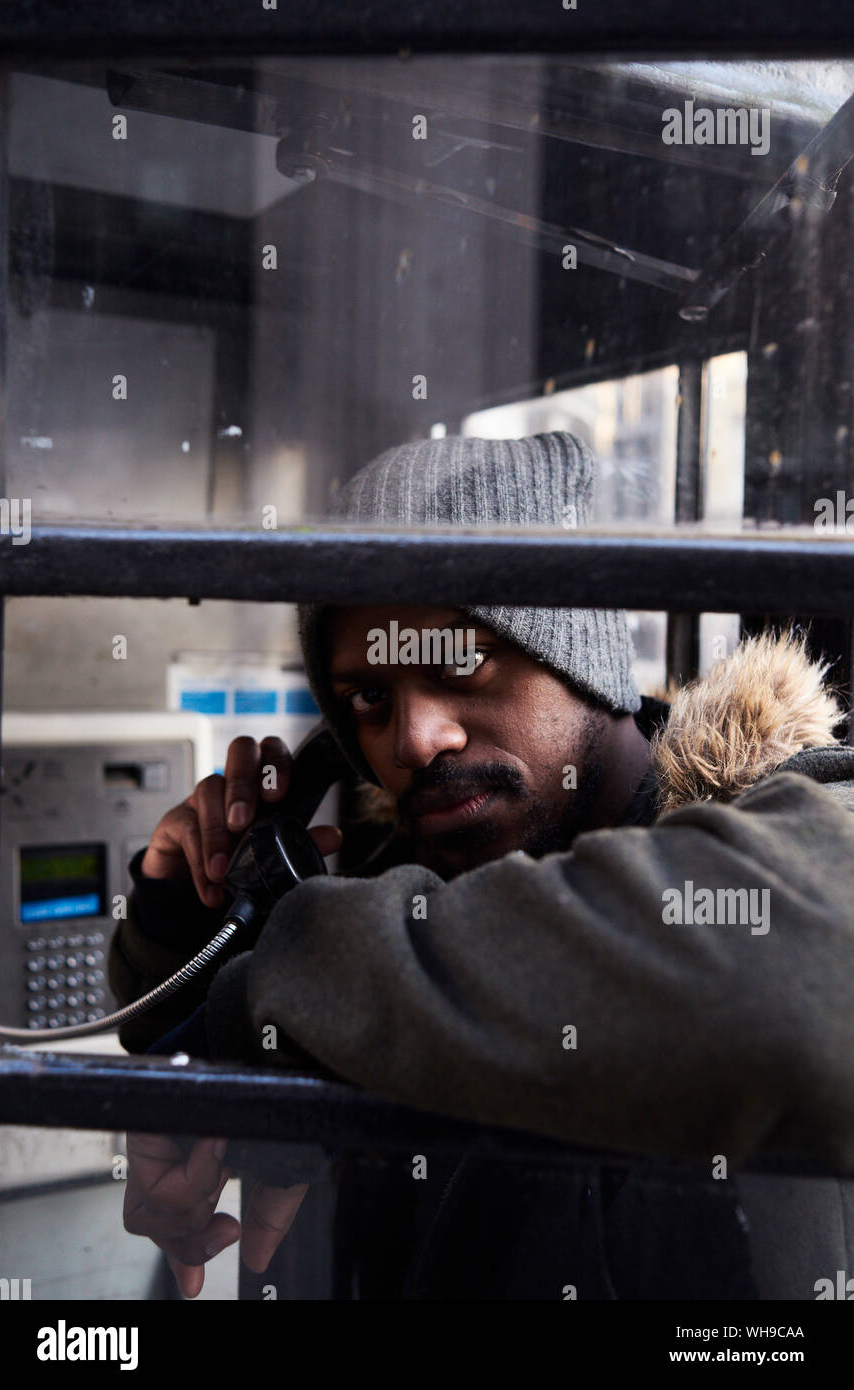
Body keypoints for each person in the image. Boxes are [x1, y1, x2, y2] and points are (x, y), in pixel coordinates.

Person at [111, 432, 854, 1300]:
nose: (415, 740)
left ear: (576, 647)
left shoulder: (795, 814)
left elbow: (799, 971)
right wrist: (197, 925)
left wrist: (273, 985)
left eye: (461, 659)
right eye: (369, 698)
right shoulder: (377, 890)